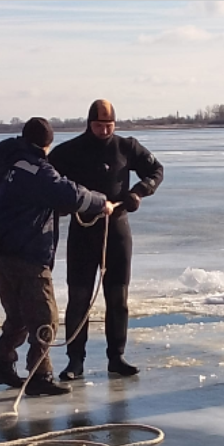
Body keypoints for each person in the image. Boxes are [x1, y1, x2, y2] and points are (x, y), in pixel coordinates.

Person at [0, 117, 115, 396]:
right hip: (27, 253)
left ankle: (3, 363)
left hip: (1, 251)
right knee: (45, 319)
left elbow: (35, 197)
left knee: (17, 316)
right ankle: (40, 375)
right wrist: (102, 203)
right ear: (46, 145)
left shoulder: (7, 159)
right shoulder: (36, 169)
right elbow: (68, 193)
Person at [48, 99, 164, 381]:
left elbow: (156, 171)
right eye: (99, 125)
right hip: (83, 229)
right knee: (79, 297)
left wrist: (138, 192)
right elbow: (48, 178)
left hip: (117, 230)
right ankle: (75, 361)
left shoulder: (127, 147)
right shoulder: (71, 150)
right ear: (89, 123)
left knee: (118, 296)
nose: (103, 130)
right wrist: (62, 204)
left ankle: (117, 357)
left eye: (108, 125)